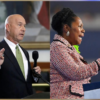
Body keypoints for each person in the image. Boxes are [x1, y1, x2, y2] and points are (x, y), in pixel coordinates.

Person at [50, 8, 100, 99]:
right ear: (66, 28)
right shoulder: (57, 47)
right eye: (80, 26)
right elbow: (76, 73)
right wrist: (98, 64)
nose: (83, 30)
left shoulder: (69, 48)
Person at [0, 14, 41, 98]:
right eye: (19, 25)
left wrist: (35, 75)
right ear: (8, 27)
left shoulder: (24, 52)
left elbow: (24, 80)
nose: (24, 29)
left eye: (24, 26)